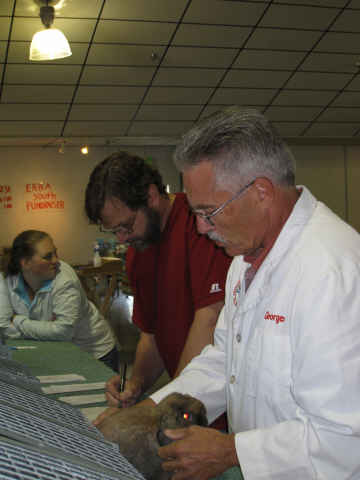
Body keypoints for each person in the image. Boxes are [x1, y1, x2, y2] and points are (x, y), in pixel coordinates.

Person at [96, 106, 360, 480]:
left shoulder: (333, 272)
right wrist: (146, 411)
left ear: (262, 192)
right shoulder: (245, 258)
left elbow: (345, 438)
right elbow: (224, 361)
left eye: (209, 211)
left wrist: (232, 450)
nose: (202, 229)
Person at [84, 152, 232, 429]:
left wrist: (151, 411)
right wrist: (136, 385)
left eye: (126, 226)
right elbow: (151, 335)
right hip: (181, 399)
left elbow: (210, 319)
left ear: (152, 197)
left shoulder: (199, 226)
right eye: (114, 232)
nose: (122, 238)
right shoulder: (139, 252)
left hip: (219, 404)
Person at [0, 230, 119, 371]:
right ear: (25, 263)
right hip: (55, 351)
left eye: (55, 253)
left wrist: (18, 320)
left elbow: (63, 332)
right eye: (48, 256)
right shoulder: (5, 279)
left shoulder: (65, 280)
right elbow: (4, 326)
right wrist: (47, 329)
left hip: (95, 353)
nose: (56, 260)